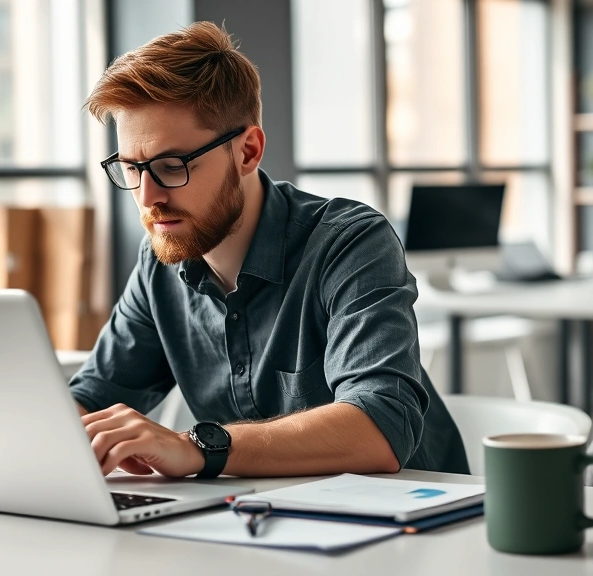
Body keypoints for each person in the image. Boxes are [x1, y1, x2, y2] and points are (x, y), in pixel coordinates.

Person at [70, 21, 468, 479]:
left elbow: (379, 426)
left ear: (248, 151)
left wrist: (197, 447)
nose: (147, 197)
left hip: (411, 527)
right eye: (131, 169)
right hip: (256, 525)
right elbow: (92, 399)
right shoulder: (160, 261)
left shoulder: (351, 242)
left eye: (170, 166)